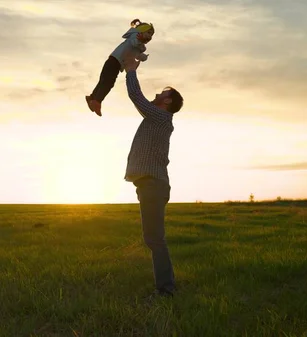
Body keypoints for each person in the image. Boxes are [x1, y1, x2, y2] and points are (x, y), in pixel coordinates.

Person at [122, 51, 184, 297]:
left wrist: (130, 70)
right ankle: (166, 286)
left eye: (162, 94)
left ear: (167, 102)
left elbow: (136, 96)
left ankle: (166, 290)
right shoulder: (156, 118)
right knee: (153, 238)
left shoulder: (161, 117)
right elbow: (142, 101)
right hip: (148, 185)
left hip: (153, 185)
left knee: (154, 239)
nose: (158, 94)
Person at [86, 19, 155, 117]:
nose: (150, 37)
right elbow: (134, 43)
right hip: (115, 61)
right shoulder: (135, 37)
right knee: (108, 82)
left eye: (151, 35)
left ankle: (92, 98)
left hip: (114, 61)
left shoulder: (138, 45)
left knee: (104, 81)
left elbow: (137, 53)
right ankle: (97, 101)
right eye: (149, 33)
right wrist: (140, 42)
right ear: (142, 30)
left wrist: (144, 57)